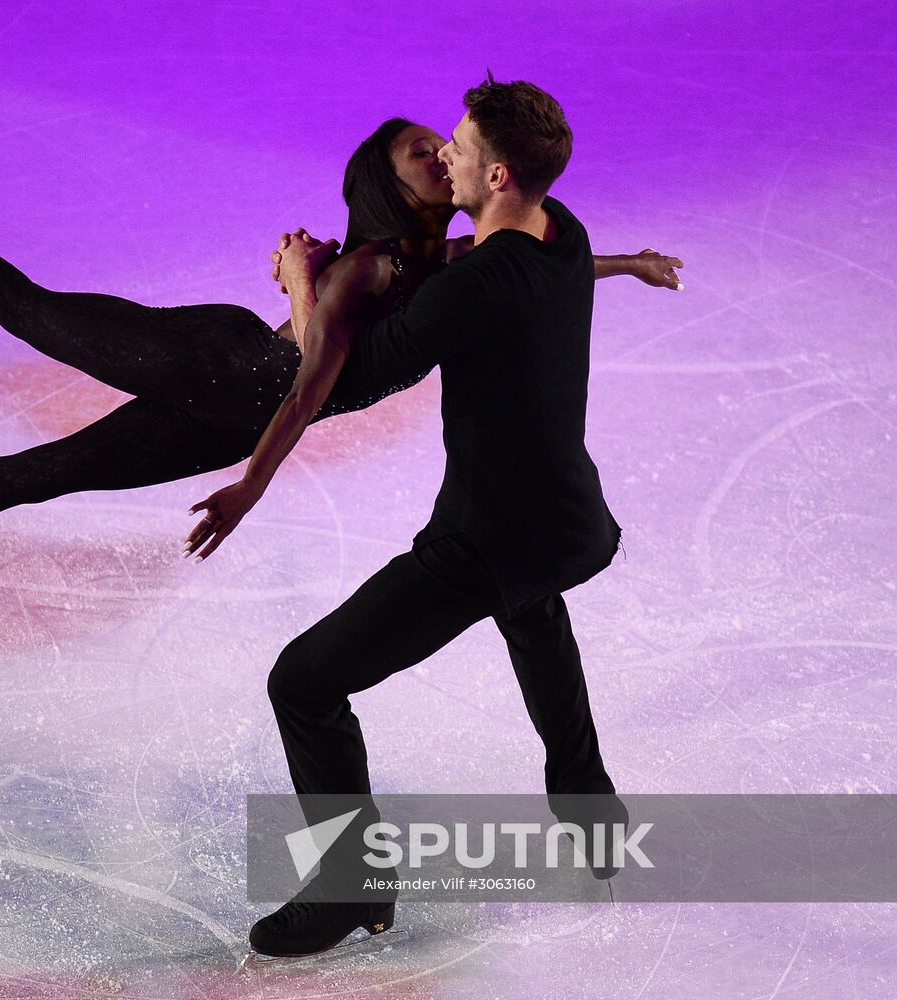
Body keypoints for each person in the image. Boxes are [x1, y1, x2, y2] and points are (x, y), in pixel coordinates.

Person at [0, 120, 680, 601]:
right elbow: (315, 375)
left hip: (238, 407)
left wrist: (628, 263)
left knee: (45, 473)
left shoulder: (459, 260)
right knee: (25, 309)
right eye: (416, 154)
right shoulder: (370, 264)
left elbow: (535, 271)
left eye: (437, 150)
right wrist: (254, 478)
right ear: (385, 185)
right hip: (223, 365)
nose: (439, 155)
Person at [242, 77, 638, 958]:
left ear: (497, 175)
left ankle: (353, 883)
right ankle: (586, 803)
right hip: (565, 516)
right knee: (532, 611)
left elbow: (337, 373)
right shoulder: (559, 231)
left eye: (456, 147)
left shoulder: (471, 291)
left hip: (486, 539)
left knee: (303, 684)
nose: (443, 158)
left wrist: (303, 283)